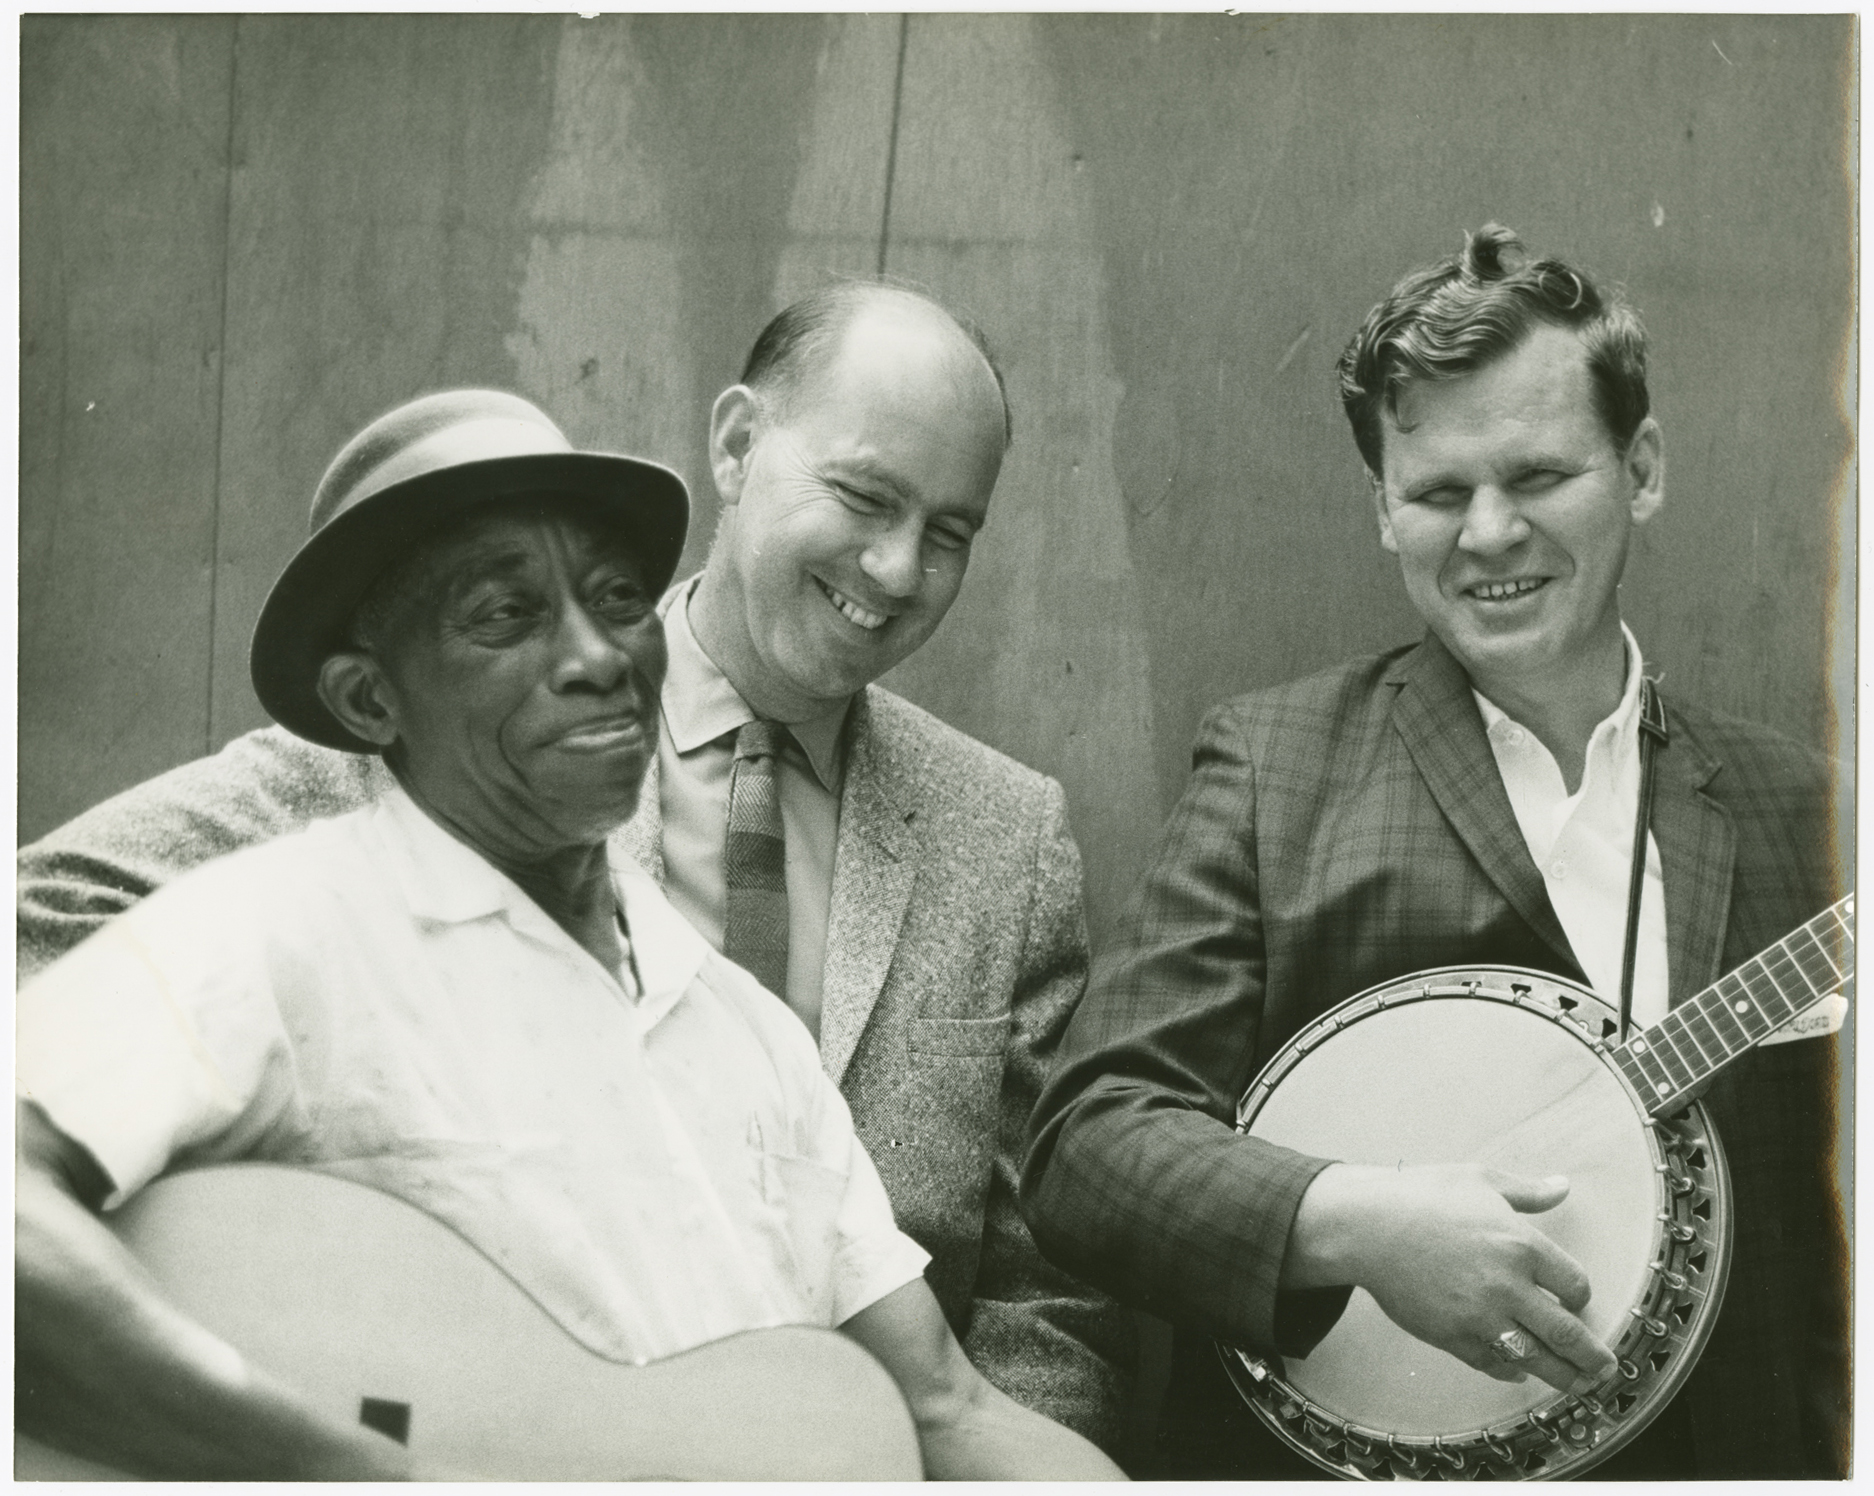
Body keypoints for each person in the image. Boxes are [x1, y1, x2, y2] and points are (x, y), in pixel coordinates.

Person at [16, 282, 1130, 1449]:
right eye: (505, 615)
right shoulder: (278, 909)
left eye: (613, 601)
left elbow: (958, 1388)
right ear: (369, 705)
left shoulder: (749, 1033)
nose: (897, 569)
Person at [1022, 225, 1848, 1478]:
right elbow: (1087, 1145)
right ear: (1380, 510)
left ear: (1641, 468)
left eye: (1538, 474)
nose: (1489, 532)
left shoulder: (1807, 812)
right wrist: (1348, 1220)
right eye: (1437, 492)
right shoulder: (1273, 765)